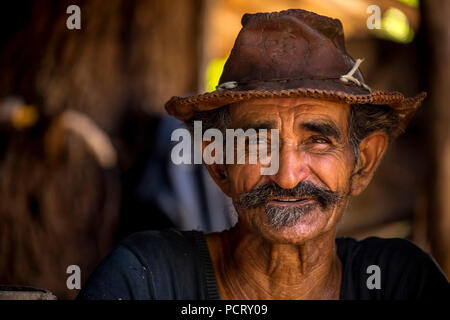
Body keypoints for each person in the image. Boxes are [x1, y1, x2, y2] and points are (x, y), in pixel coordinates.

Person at [78, 9, 450, 300]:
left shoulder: (399, 283)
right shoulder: (147, 279)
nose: (287, 176)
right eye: (258, 143)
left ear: (363, 162)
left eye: (318, 140)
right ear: (218, 163)